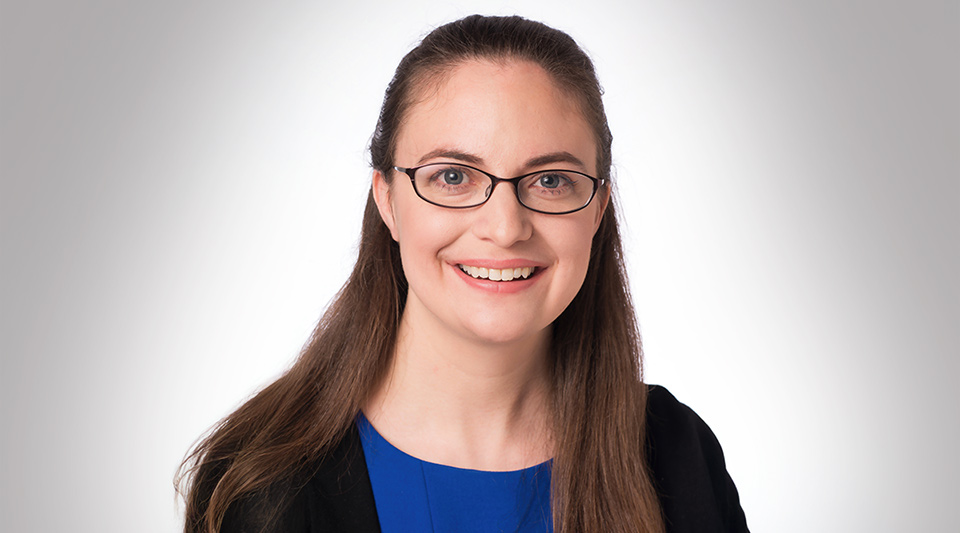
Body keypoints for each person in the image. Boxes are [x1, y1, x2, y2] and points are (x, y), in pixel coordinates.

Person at [178, 14, 749, 533]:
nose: (505, 228)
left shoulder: (679, 455)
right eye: (454, 176)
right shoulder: (262, 484)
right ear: (388, 200)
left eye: (551, 180)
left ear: (598, 208)